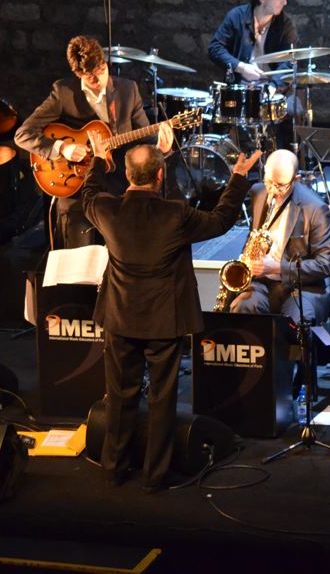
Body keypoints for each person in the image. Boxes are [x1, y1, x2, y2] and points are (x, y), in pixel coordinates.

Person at [82, 143, 260, 492]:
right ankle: (156, 475)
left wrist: (99, 163)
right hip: (165, 319)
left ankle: (113, 469)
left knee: (119, 396)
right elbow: (222, 221)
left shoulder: (106, 209)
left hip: (120, 316)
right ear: (161, 176)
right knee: (162, 398)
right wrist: (238, 178)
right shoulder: (176, 214)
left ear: (128, 175)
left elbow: (88, 192)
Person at [15, 35, 173, 249]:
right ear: (79, 74)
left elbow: (144, 139)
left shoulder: (128, 90)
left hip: (118, 188)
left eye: (102, 72)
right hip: (78, 190)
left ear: (105, 64)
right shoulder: (64, 92)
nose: (99, 82)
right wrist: (63, 148)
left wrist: (160, 150)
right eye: (92, 78)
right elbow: (22, 134)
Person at [229, 149, 330, 325]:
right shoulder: (258, 192)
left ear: (295, 180)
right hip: (262, 282)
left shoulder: (316, 209)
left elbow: (325, 265)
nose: (272, 190)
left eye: (280, 185)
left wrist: (278, 268)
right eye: (269, 181)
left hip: (301, 287)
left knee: (295, 323)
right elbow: (254, 235)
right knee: (242, 308)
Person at [207, 0, 298, 83]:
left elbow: (289, 61)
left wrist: (274, 86)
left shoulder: (285, 24)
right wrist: (241, 67)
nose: (285, 2)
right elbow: (215, 49)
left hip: (272, 87)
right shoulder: (236, 16)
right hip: (240, 87)